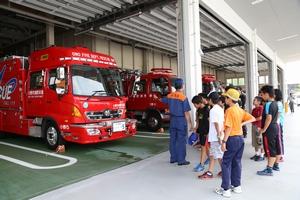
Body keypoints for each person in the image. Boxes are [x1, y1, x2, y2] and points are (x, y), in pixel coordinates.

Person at [215, 88, 255, 197]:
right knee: (236, 162)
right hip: (240, 139)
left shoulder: (229, 110)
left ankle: (226, 189)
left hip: (231, 139)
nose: (225, 99)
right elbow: (252, 118)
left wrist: (224, 142)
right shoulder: (240, 110)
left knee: (226, 163)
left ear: (230, 99)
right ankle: (237, 186)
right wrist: (242, 124)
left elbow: (228, 128)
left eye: (226, 97)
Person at [161, 78, 193, 165]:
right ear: (182, 86)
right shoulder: (183, 97)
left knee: (173, 139)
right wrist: (190, 124)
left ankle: (173, 158)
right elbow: (186, 112)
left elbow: (162, 100)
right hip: (181, 120)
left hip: (173, 120)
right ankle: (181, 160)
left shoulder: (170, 95)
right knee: (181, 140)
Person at [198, 92, 224, 179]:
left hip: (216, 137)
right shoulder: (220, 108)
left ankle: (224, 171)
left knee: (218, 155)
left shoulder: (213, 110)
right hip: (217, 135)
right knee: (214, 155)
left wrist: (218, 135)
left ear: (210, 100)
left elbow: (216, 123)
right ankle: (211, 172)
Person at [257, 85, 280, 176]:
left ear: (267, 94)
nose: (262, 96)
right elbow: (276, 116)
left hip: (269, 129)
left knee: (269, 149)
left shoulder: (268, 104)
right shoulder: (276, 103)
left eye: (262, 94)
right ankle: (271, 167)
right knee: (273, 147)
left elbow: (268, 118)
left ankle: (269, 169)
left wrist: (263, 129)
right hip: (274, 127)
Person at [192, 95, 210, 172]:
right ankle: (209, 158)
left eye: (194, 104)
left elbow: (210, 122)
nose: (194, 106)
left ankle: (201, 165)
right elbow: (198, 120)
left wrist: (209, 133)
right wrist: (196, 128)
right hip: (201, 131)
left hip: (206, 132)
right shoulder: (199, 110)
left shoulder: (207, 110)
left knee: (203, 147)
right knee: (205, 147)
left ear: (199, 103)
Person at [250, 96, 264, 161]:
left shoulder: (261, 108)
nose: (253, 101)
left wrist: (253, 120)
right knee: (255, 140)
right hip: (254, 126)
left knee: (260, 141)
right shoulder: (254, 109)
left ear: (259, 102)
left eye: (254, 100)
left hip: (259, 126)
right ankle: (257, 154)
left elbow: (260, 117)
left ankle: (262, 155)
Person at [274, 89, 285, 162]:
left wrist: (274, 122)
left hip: (278, 124)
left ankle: (281, 156)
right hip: (277, 124)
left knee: (279, 140)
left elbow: (278, 114)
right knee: (278, 140)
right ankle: (278, 155)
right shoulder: (276, 103)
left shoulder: (278, 103)